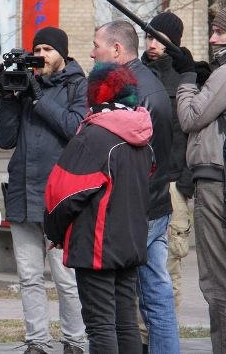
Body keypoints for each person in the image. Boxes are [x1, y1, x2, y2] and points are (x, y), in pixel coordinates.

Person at [44, 62, 154, 354]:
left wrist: (54, 232)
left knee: (101, 325)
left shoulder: (93, 137)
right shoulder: (142, 136)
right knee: (126, 322)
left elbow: (62, 194)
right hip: (131, 241)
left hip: (97, 244)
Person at [0, 27, 87, 354]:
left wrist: (39, 97)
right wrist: (8, 96)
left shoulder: (78, 85)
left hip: (60, 198)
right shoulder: (25, 85)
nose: (42, 55)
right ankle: (38, 341)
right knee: (29, 276)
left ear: (62, 53)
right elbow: (4, 139)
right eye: (37, 50)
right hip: (22, 193)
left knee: (65, 278)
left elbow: (76, 128)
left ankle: (75, 341)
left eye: (48, 49)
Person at [90, 20, 178, 354]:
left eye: (96, 45)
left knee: (122, 300)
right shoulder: (149, 82)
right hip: (155, 205)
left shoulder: (130, 91)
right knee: (157, 294)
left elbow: (129, 158)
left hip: (137, 211)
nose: (92, 52)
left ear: (116, 49)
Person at [175, 6, 226, 353]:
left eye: (220, 32)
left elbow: (190, 118)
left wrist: (187, 81)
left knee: (216, 281)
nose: (212, 38)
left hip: (215, 185)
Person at [140, 12, 193, 321]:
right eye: (149, 37)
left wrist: (185, 182)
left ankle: (164, 334)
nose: (152, 44)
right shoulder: (137, 74)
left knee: (169, 264)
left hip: (173, 185)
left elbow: (194, 133)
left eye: (160, 39)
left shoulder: (187, 77)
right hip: (140, 182)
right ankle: (140, 337)